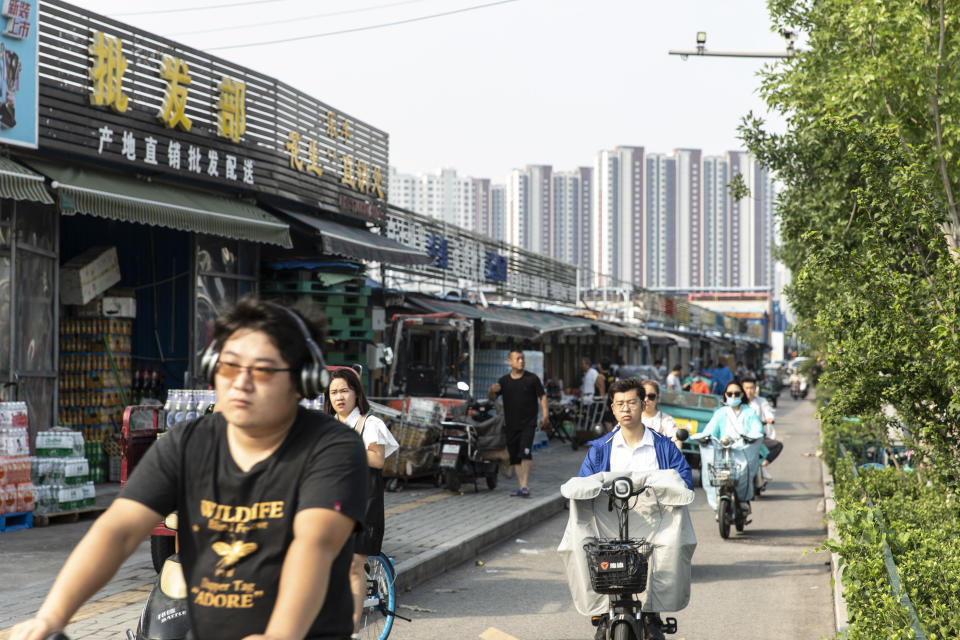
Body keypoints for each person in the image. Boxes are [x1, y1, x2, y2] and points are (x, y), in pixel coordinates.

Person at [11, 298, 368, 640]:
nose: (240, 382)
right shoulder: (188, 443)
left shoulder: (332, 448)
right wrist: (50, 617)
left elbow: (315, 544)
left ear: (301, 379)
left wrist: (280, 634)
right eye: (228, 366)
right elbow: (117, 530)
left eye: (262, 370)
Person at [577, 378, 694, 640]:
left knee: (676, 543)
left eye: (631, 402)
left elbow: (685, 481)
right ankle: (600, 611)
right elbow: (584, 484)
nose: (626, 409)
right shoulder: (599, 450)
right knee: (576, 541)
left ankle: (653, 613)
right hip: (610, 525)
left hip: (655, 524)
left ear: (643, 405)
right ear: (612, 408)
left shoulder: (663, 447)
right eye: (620, 404)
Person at [324, 367, 399, 638]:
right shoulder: (327, 426)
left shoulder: (370, 424)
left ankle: (352, 633)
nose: (339, 396)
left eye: (344, 390)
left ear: (356, 393)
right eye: (333, 392)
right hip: (331, 506)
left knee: (353, 566)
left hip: (363, 506)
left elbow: (378, 460)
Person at [488, 348, 549, 497]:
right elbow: (493, 398)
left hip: (528, 423)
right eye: (517, 359)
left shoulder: (532, 379)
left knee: (525, 452)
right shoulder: (504, 381)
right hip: (511, 424)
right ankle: (522, 486)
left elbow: (542, 396)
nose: (521, 361)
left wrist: (545, 415)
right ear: (510, 362)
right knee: (514, 455)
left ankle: (525, 485)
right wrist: (491, 390)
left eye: (522, 358)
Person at [742, 377, 783, 480]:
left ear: (755, 388)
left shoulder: (761, 401)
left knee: (777, 445)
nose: (749, 391)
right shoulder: (739, 403)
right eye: (746, 388)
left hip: (759, 436)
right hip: (742, 436)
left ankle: (763, 465)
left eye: (751, 388)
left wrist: (769, 418)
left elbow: (768, 411)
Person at [638, 379, 680, 450]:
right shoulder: (630, 418)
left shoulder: (667, 420)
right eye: (643, 396)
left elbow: (676, 442)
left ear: (657, 398)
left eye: (651, 396)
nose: (646, 399)